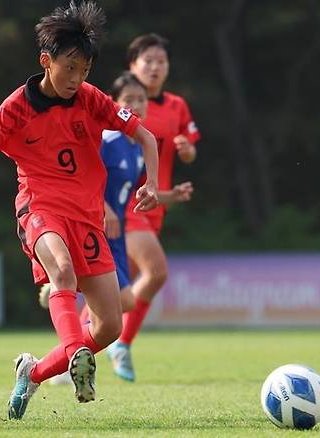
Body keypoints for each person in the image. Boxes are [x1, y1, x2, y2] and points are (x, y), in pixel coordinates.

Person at [0, 1, 159, 420]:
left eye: (84, 70)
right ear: (45, 61)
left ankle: (34, 372)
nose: (77, 78)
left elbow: (146, 137)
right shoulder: (14, 108)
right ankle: (78, 354)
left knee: (110, 326)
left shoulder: (91, 98)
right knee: (61, 272)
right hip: (39, 208)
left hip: (87, 218)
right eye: (70, 68)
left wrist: (152, 184)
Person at [41, 72, 193, 385]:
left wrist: (169, 196)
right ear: (115, 105)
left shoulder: (137, 148)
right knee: (121, 305)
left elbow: (135, 191)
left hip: (118, 233)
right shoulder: (107, 139)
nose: (137, 105)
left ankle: (67, 354)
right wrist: (105, 208)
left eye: (141, 100)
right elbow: (83, 175)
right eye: (129, 101)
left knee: (121, 305)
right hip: (96, 228)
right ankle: (71, 344)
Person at [105, 33, 201, 382]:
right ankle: (121, 344)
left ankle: (74, 348)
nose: (156, 67)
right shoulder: (119, 105)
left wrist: (186, 152)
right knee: (157, 272)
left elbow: (189, 149)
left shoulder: (176, 105)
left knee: (117, 292)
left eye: (161, 61)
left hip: (154, 204)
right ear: (133, 65)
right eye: (148, 60)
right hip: (125, 205)